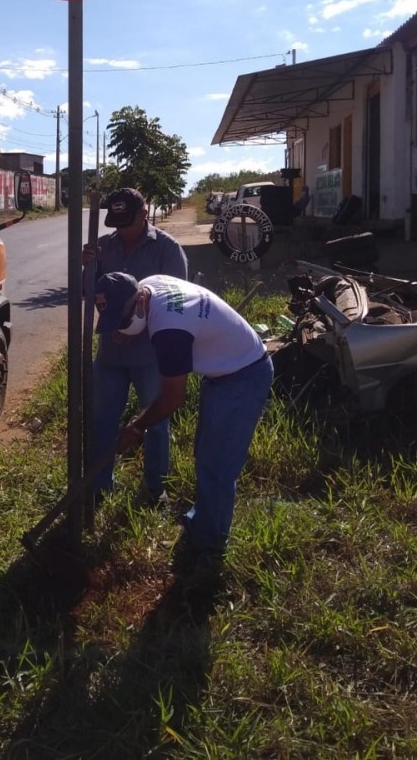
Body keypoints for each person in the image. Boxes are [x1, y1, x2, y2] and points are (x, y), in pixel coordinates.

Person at [95, 270, 273, 590]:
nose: (122, 330)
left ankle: (210, 556)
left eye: (122, 321)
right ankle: (199, 525)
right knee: (205, 455)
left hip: (244, 375)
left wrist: (136, 427)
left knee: (217, 468)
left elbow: (173, 397)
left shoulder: (169, 331)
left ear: (140, 300)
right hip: (224, 371)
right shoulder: (151, 283)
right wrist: (130, 329)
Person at [84, 188, 188, 504]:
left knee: (154, 422)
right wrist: (86, 267)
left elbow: (177, 301)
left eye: (126, 223)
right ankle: (100, 486)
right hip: (111, 354)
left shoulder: (167, 249)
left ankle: (156, 489)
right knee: (102, 420)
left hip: (150, 355)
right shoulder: (102, 247)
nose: (121, 231)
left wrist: (136, 330)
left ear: (144, 214)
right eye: (116, 224)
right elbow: (88, 294)